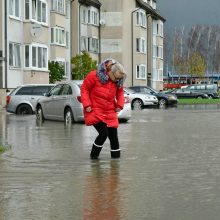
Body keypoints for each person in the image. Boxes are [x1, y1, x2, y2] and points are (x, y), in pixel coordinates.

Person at [80, 58, 126, 159]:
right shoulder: (94, 75)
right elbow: (84, 89)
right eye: (116, 78)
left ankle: (115, 167)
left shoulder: (118, 80)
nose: (117, 81)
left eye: (119, 79)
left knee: (114, 138)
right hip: (94, 110)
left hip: (110, 111)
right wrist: (87, 105)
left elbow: (120, 93)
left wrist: (119, 105)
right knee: (103, 134)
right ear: (110, 71)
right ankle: (94, 160)